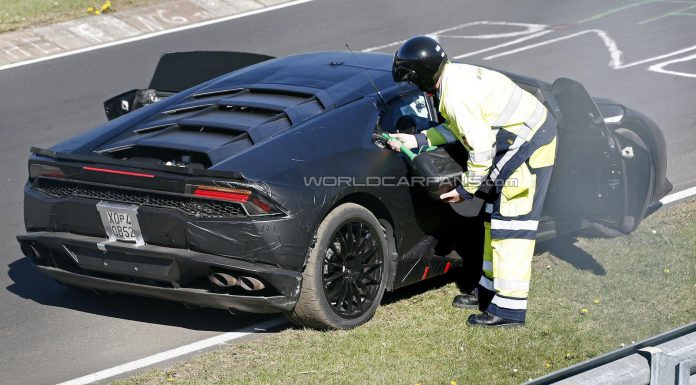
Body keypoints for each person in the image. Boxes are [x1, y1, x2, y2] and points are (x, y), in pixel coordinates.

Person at [387, 36, 557, 327]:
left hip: (528, 147)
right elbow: (458, 128)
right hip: (515, 142)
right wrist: (418, 139)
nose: (413, 88)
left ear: (423, 76)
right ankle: (489, 291)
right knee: (494, 223)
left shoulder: (455, 95)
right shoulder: (451, 78)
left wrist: (464, 191)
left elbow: (480, 150)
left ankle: (508, 311)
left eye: (412, 81)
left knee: (511, 230)